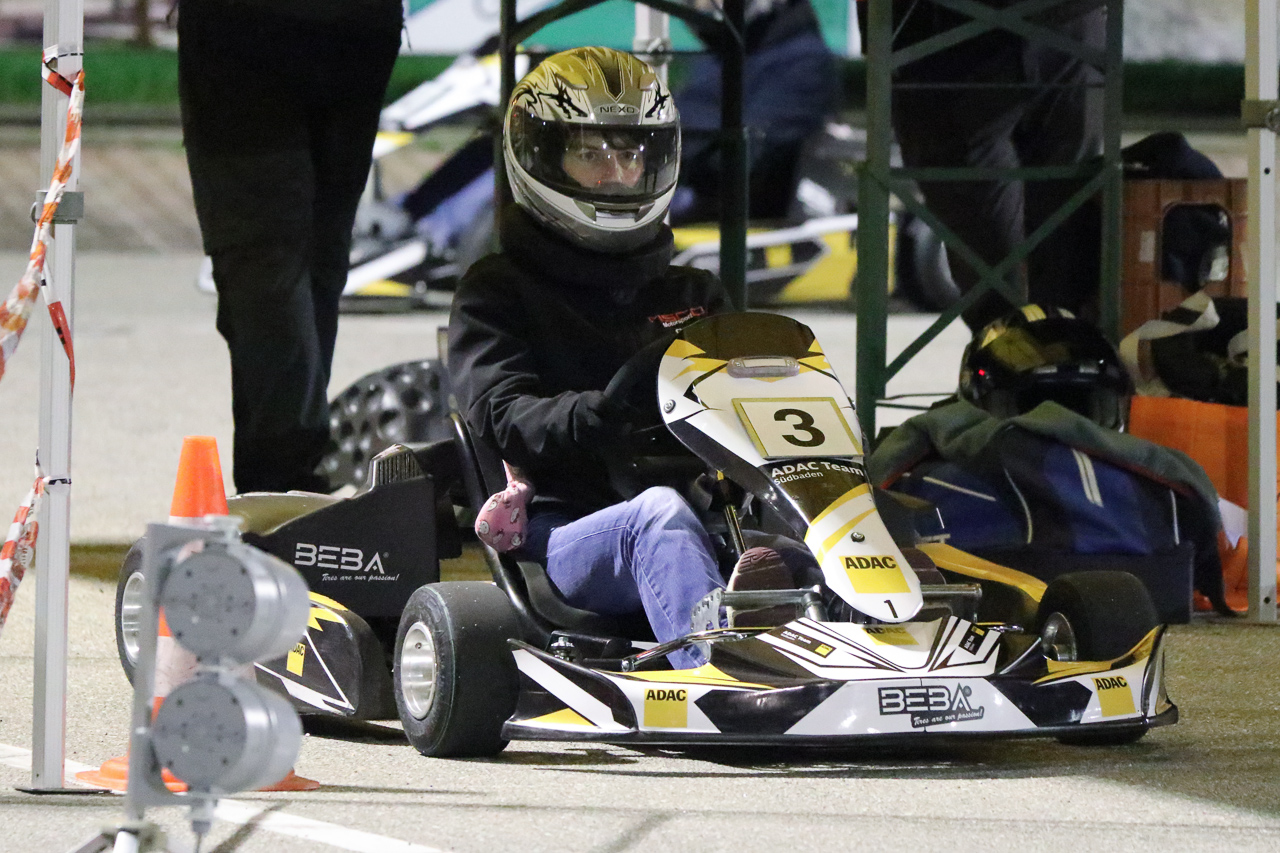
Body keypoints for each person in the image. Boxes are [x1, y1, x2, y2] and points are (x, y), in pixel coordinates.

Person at [447, 47, 791, 669]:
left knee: (813, 531)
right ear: (540, 160)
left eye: (629, 155)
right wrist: (596, 413)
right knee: (658, 517)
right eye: (590, 154)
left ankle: (891, 652)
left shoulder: (694, 293)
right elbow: (499, 414)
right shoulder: (497, 291)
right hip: (563, 533)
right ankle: (725, 671)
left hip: (708, 515)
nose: (614, 173)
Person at [178, 0, 403, 493]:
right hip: (358, 28)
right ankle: (291, 481)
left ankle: (286, 486)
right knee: (314, 263)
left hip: (248, 26)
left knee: (268, 268)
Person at [860, 0, 1106, 331]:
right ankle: (1028, 348)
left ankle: (1052, 347)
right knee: (1003, 266)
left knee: (1053, 255)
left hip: (1052, 32)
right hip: (945, 41)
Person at [669, 0, 840, 224]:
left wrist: (669, 141)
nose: (699, 6)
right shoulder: (719, 57)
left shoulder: (804, 61)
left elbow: (745, 156)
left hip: (750, 227)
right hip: (701, 217)